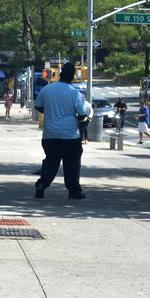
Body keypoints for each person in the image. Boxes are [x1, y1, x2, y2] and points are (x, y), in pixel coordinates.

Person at [34, 62, 89, 199]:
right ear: (72, 76)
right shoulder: (75, 93)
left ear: (60, 74)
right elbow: (82, 114)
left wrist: (50, 111)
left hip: (50, 135)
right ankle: (74, 190)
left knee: (51, 162)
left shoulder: (47, 89)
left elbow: (38, 106)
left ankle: (42, 183)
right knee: (72, 164)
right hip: (70, 135)